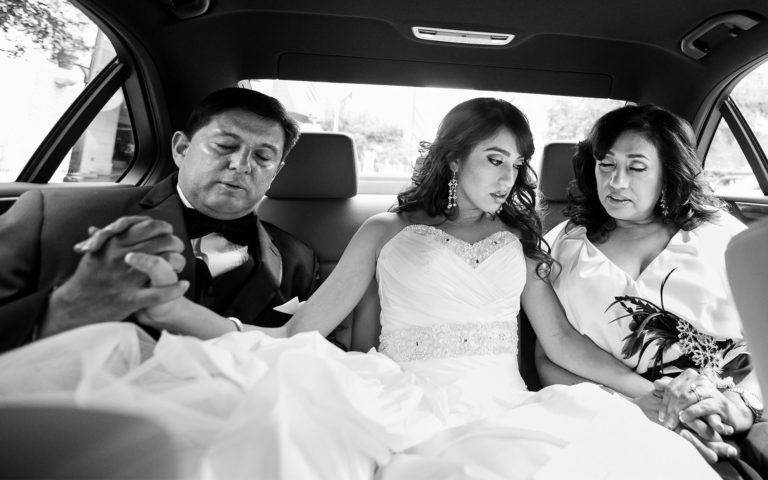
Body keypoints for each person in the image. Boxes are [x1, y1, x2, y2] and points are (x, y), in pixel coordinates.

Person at [0, 98, 718, 479]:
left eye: (518, 164)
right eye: (495, 158)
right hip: (402, 394)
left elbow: (559, 340)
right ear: (455, 156)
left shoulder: (527, 242)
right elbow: (299, 336)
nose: (509, 177)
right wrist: (165, 305)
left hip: (504, 400)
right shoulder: (384, 232)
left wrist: (646, 391)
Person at [538, 104, 765, 478]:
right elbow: (549, 357)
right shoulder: (562, 249)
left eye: (637, 167)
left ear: (667, 173)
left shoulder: (719, 236)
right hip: (618, 410)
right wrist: (635, 404)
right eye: (606, 164)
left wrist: (740, 406)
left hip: (736, 406)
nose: (616, 182)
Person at [0, 87, 319, 353]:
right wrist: (67, 308)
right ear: (181, 149)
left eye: (263, 157)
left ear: (275, 173)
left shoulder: (298, 259)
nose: (240, 164)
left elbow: (310, 354)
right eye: (224, 145)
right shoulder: (52, 216)